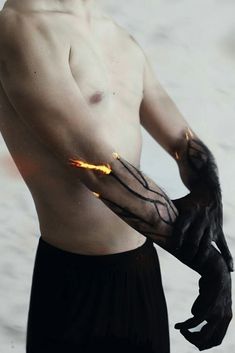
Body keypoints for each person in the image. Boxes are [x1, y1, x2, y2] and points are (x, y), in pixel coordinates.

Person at [0, 0, 233, 352]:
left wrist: (206, 191)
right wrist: (206, 260)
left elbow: (182, 141)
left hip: (142, 272)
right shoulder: (22, 27)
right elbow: (99, 171)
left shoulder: (117, 36)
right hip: (74, 286)